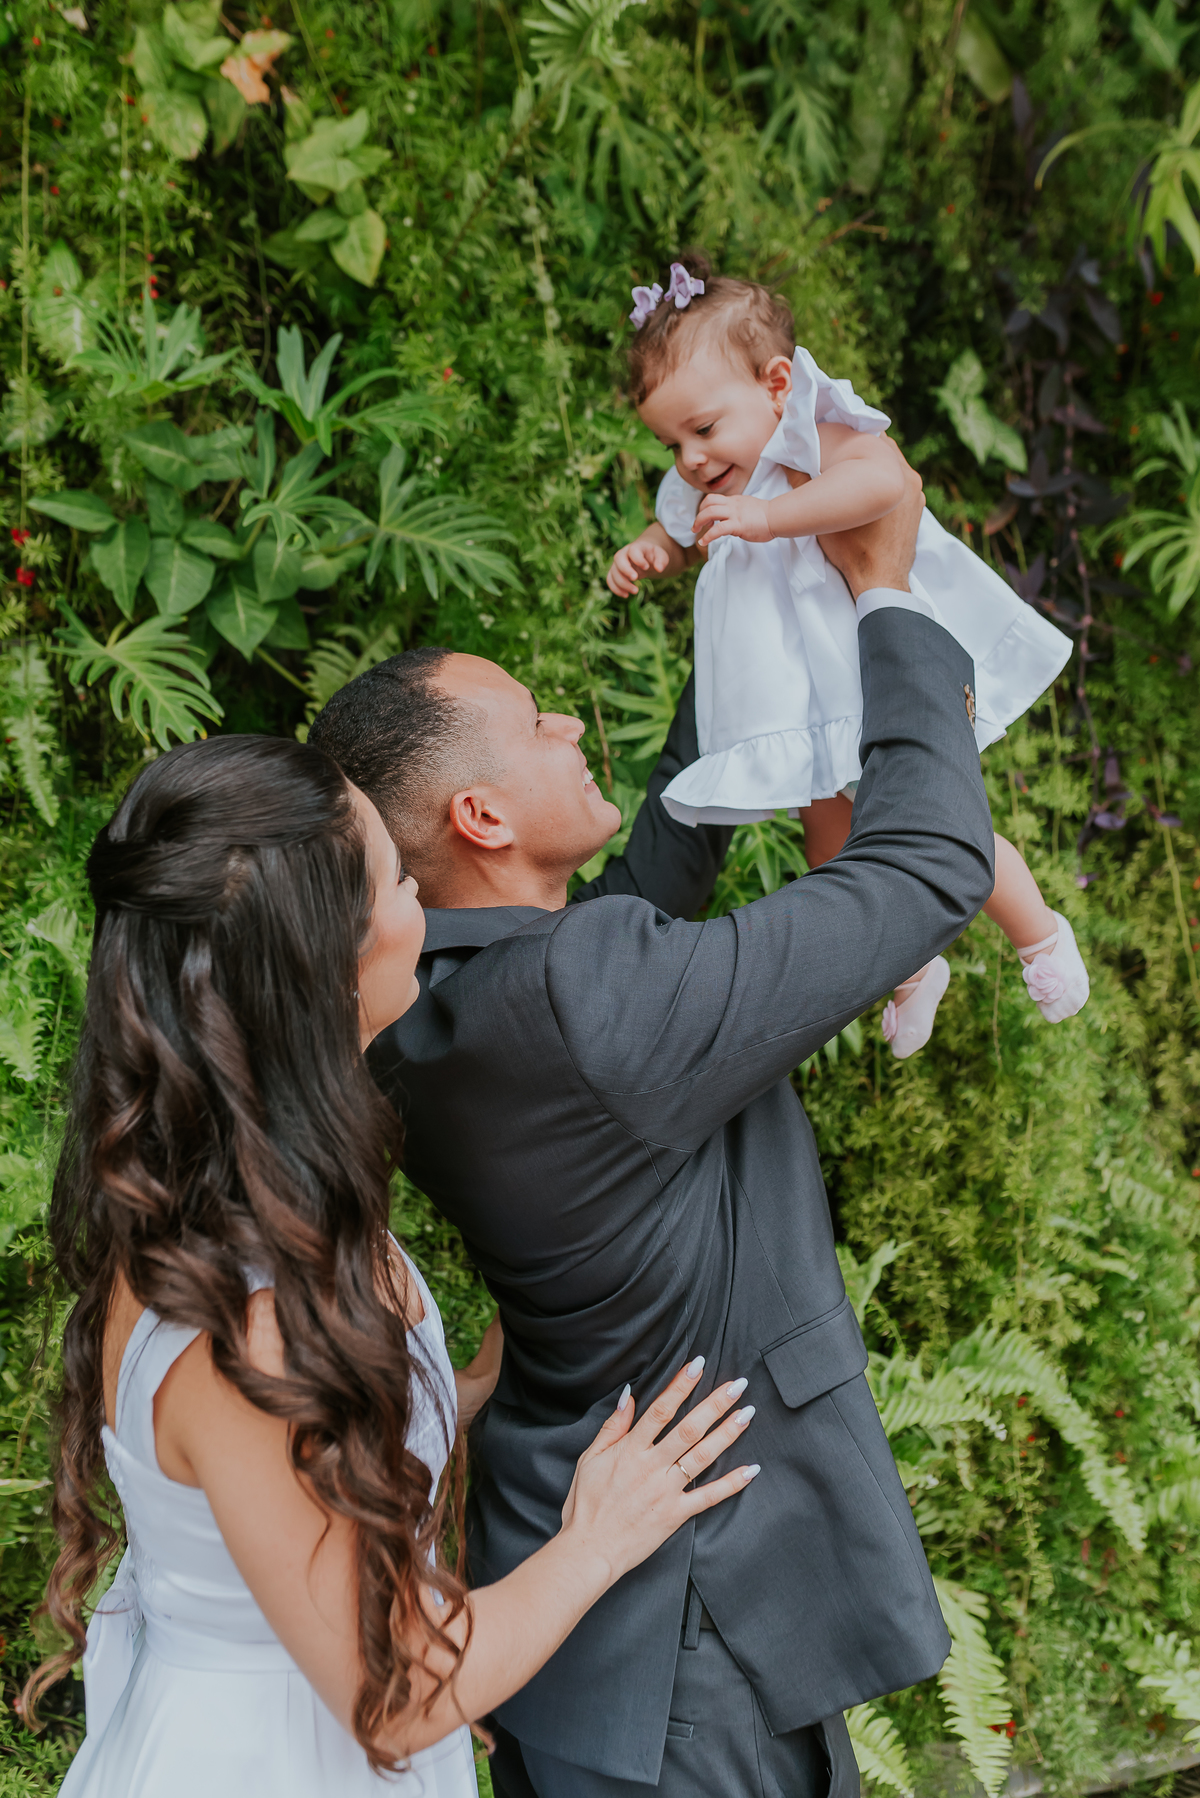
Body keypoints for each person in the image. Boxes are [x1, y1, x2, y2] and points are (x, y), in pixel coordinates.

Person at [308, 473, 992, 1798]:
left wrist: (739, 612)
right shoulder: (585, 997)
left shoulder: (433, 1004)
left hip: (599, 1621)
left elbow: (649, 881)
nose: (568, 718)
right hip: (695, 1632)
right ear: (482, 817)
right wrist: (885, 591)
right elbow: (924, 869)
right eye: (533, 717)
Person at [28, 735, 758, 1798]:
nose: (425, 905)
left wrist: (459, 1389)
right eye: (402, 881)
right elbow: (398, 1690)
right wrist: (595, 1539)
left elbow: (295, 1492)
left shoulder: (233, 1199)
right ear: (325, 959)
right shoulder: (251, 1321)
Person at [605, 254, 1088, 1057]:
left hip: (866, 676)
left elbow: (884, 487)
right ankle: (910, 968)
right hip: (797, 703)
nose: (690, 458)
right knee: (835, 853)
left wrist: (769, 518)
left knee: (937, 825)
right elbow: (687, 530)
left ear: (775, 384)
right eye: (671, 441)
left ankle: (1039, 933)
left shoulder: (817, 435)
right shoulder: (706, 478)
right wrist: (656, 550)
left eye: (703, 429)